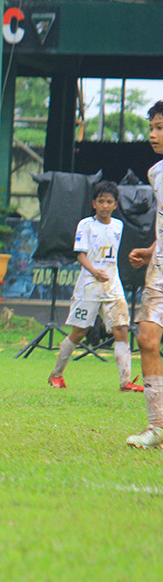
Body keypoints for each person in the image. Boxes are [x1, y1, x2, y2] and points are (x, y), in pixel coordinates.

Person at [48, 180, 142, 392]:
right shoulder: (86, 225)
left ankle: (125, 382)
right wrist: (93, 270)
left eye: (109, 202)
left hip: (112, 285)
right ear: (94, 203)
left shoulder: (119, 226)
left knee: (121, 328)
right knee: (79, 332)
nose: (105, 206)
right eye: (101, 201)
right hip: (89, 285)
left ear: (115, 205)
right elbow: (80, 254)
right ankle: (56, 375)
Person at [127, 101, 163, 448]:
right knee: (146, 339)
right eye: (151, 127)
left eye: (160, 128)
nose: (153, 134)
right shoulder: (156, 173)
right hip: (160, 272)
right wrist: (152, 250)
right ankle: (157, 428)